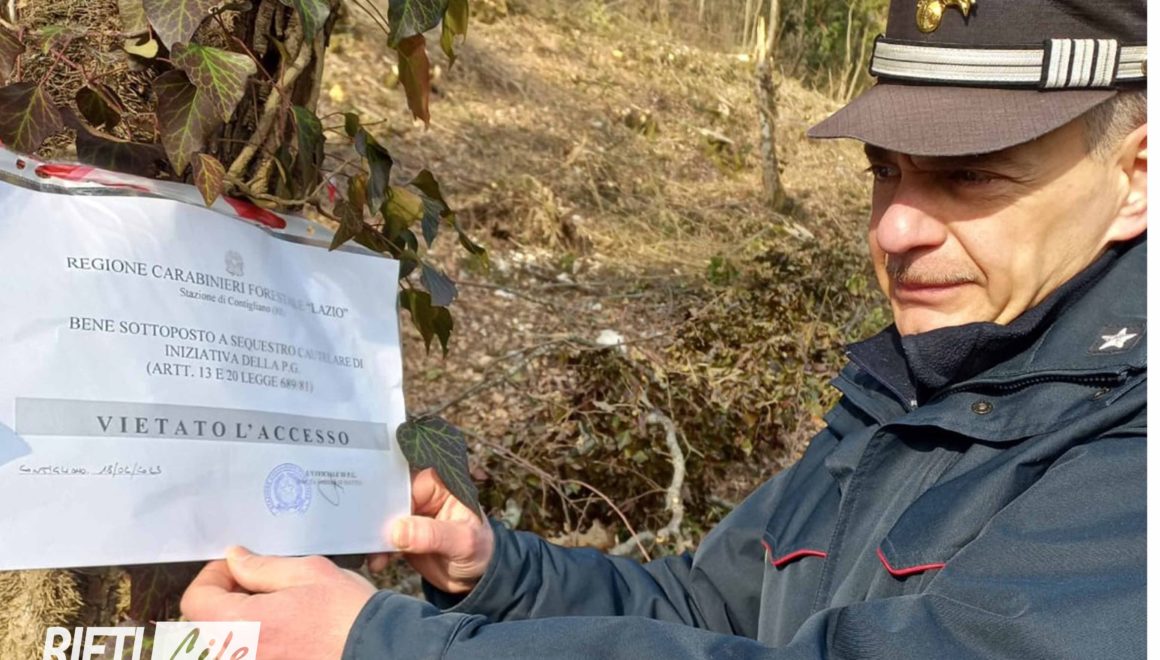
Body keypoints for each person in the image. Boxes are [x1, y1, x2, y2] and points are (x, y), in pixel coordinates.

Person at [180, 0, 1148, 657]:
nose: (894, 229)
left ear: (1134, 178)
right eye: (883, 171)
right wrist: (496, 576)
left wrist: (387, 646)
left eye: (969, 177)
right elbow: (705, 608)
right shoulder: (919, 384)